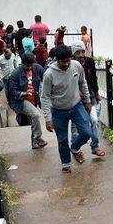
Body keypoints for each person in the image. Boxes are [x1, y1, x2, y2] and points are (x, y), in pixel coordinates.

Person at [41, 45, 104, 173]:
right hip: (59, 110)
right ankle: (66, 164)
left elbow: (83, 83)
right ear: (56, 60)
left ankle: (75, 148)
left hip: (77, 106)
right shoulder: (49, 74)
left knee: (87, 132)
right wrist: (48, 119)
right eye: (62, 61)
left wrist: (87, 101)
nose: (66, 64)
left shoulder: (76, 66)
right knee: (62, 140)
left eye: (68, 60)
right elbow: (45, 97)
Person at [6, 53, 47, 149]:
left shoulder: (37, 68)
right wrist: (23, 93)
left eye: (31, 65)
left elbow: (46, 77)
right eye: (27, 65)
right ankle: (38, 138)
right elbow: (11, 91)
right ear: (22, 63)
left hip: (34, 99)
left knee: (34, 120)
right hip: (20, 100)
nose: (29, 67)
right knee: (36, 114)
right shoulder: (15, 73)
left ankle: (35, 144)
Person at [70, 41, 101, 152]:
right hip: (75, 99)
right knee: (75, 125)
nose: (81, 55)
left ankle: (95, 146)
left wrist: (96, 94)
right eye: (78, 52)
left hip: (89, 96)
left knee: (94, 120)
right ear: (73, 54)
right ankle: (75, 147)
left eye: (83, 52)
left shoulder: (89, 62)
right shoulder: (69, 64)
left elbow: (93, 78)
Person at [0, 47, 20, 127]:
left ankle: (14, 99)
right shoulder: (0, 59)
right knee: (7, 90)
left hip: (13, 75)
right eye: (7, 56)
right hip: (5, 78)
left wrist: (17, 70)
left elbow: (15, 63)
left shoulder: (12, 55)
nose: (9, 57)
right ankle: (9, 100)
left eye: (10, 55)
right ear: (4, 54)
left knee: (14, 88)